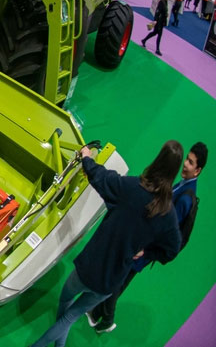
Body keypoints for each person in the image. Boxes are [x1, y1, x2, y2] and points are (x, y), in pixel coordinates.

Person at [27, 141, 183, 347]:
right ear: (175, 172)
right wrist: (147, 252)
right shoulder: (168, 215)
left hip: (90, 267)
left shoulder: (129, 187)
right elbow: (172, 249)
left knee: (65, 302)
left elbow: (101, 177)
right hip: (111, 281)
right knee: (71, 317)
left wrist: (86, 157)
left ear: (157, 161)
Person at [88, 142, 207, 333]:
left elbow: (166, 230)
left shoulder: (185, 198)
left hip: (143, 250)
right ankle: (96, 313)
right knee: (118, 282)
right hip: (143, 245)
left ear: (198, 170)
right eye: (187, 159)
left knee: (117, 284)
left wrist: (145, 250)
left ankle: (106, 321)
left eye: (191, 162)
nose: (185, 164)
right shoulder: (183, 186)